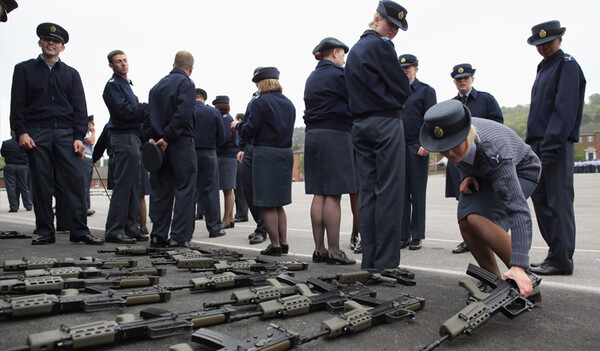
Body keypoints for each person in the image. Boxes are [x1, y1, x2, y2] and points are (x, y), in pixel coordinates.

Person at [420, 99, 541, 298]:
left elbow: (517, 208)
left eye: (454, 145)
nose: (449, 152)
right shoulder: (454, 132)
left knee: (477, 217)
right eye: (444, 147)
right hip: (483, 173)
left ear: (466, 134)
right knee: (465, 219)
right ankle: (493, 282)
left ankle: (524, 281)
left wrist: (520, 264)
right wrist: (467, 174)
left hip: (522, 171)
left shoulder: (494, 150)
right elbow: (460, 157)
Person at [10, 22, 103, 245]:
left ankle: (79, 230)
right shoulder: (24, 70)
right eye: (47, 39)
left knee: (74, 183)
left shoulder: (71, 74)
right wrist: (21, 132)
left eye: (56, 41)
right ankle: (44, 230)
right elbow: (17, 105)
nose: (51, 43)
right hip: (37, 133)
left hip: (65, 134)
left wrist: (79, 137)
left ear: (62, 47)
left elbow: (80, 108)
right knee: (41, 183)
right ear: (40, 42)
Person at [344, 0, 411, 269]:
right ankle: (385, 261)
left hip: (360, 125)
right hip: (385, 122)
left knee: (368, 193)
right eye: (390, 23)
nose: (393, 30)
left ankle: (369, 259)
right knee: (390, 192)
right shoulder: (382, 46)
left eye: (397, 27)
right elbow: (403, 88)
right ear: (376, 18)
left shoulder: (356, 50)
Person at [525, 20, 586, 276]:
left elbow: (564, 110)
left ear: (559, 40)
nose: (544, 48)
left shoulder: (566, 65)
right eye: (539, 44)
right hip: (539, 143)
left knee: (558, 202)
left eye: (548, 43)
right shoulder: (543, 67)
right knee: (540, 199)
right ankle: (555, 253)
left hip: (556, 144)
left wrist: (550, 148)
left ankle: (562, 260)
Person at [231, 67, 295, 256]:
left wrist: (238, 125)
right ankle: (284, 243)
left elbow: (251, 128)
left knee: (267, 203)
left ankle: (274, 245)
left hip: (266, 153)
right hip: (285, 153)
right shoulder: (289, 103)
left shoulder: (260, 102)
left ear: (262, 83)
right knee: (279, 203)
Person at [303, 37, 356, 265]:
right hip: (335, 134)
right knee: (334, 194)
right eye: (343, 54)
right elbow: (356, 101)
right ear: (334, 52)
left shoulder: (311, 77)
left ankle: (319, 249)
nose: (344, 59)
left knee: (319, 193)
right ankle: (335, 249)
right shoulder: (339, 75)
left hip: (313, 136)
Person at [449, 62, 504, 254]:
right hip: (463, 160)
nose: (462, 82)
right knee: (466, 198)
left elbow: (498, 125)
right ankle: (470, 239)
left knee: (489, 197)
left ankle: (491, 235)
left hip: (485, 156)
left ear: (472, 79)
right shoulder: (452, 105)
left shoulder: (486, 100)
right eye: (458, 79)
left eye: (465, 78)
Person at [146, 51, 197, 249]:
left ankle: (158, 235)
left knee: (161, 189)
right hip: (179, 142)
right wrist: (169, 137)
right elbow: (183, 114)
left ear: (173, 64)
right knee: (185, 188)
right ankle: (179, 237)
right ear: (191, 68)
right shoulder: (187, 84)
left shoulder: (156, 87)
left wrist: (153, 137)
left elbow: (150, 115)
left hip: (158, 143)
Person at [102, 49, 149, 244]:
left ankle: (131, 227)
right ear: (111, 66)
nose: (123, 64)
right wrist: (144, 108)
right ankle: (115, 229)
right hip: (123, 137)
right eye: (118, 61)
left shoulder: (126, 85)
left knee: (134, 185)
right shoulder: (113, 86)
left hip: (133, 137)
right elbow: (123, 112)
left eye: (125, 60)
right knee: (123, 185)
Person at [398, 54, 437, 251]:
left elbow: (431, 120)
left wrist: (428, 143)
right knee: (401, 193)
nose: (405, 71)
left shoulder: (425, 91)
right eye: (402, 68)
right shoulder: (395, 92)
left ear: (416, 69)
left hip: (417, 146)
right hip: (397, 147)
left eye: (409, 67)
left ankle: (417, 235)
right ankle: (403, 234)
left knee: (417, 192)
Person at [238, 67, 268, 246]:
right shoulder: (254, 99)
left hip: (261, 147)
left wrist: (239, 126)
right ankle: (261, 225)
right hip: (249, 147)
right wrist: (242, 147)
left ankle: (263, 229)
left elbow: (251, 126)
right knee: (248, 189)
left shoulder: (265, 99)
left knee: (261, 191)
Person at [193, 88, 227, 238]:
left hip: (189, 152)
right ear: (204, 99)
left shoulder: (186, 110)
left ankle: (185, 230)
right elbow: (222, 136)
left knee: (188, 191)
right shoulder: (213, 112)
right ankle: (214, 228)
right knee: (211, 191)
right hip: (209, 152)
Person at [214, 95, 237, 230]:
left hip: (225, 155)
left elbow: (223, 138)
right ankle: (230, 217)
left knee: (227, 189)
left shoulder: (224, 119)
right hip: (230, 156)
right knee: (228, 189)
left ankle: (226, 218)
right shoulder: (229, 118)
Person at [1, 131, 32, 212]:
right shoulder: (24, 143)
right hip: (23, 166)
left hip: (10, 165)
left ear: (11, 133)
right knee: (24, 186)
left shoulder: (6, 143)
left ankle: (14, 207)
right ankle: (28, 205)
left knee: (11, 187)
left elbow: (3, 154)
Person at [233, 113, 249, 223]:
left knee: (239, 189)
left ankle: (242, 213)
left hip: (240, 160)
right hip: (242, 160)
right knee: (239, 189)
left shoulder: (241, 133)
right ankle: (240, 212)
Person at [82, 115, 95, 216]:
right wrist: (93, 132)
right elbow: (91, 142)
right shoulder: (83, 131)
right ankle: (84, 207)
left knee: (87, 184)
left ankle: (87, 206)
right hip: (85, 158)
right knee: (84, 184)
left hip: (89, 158)